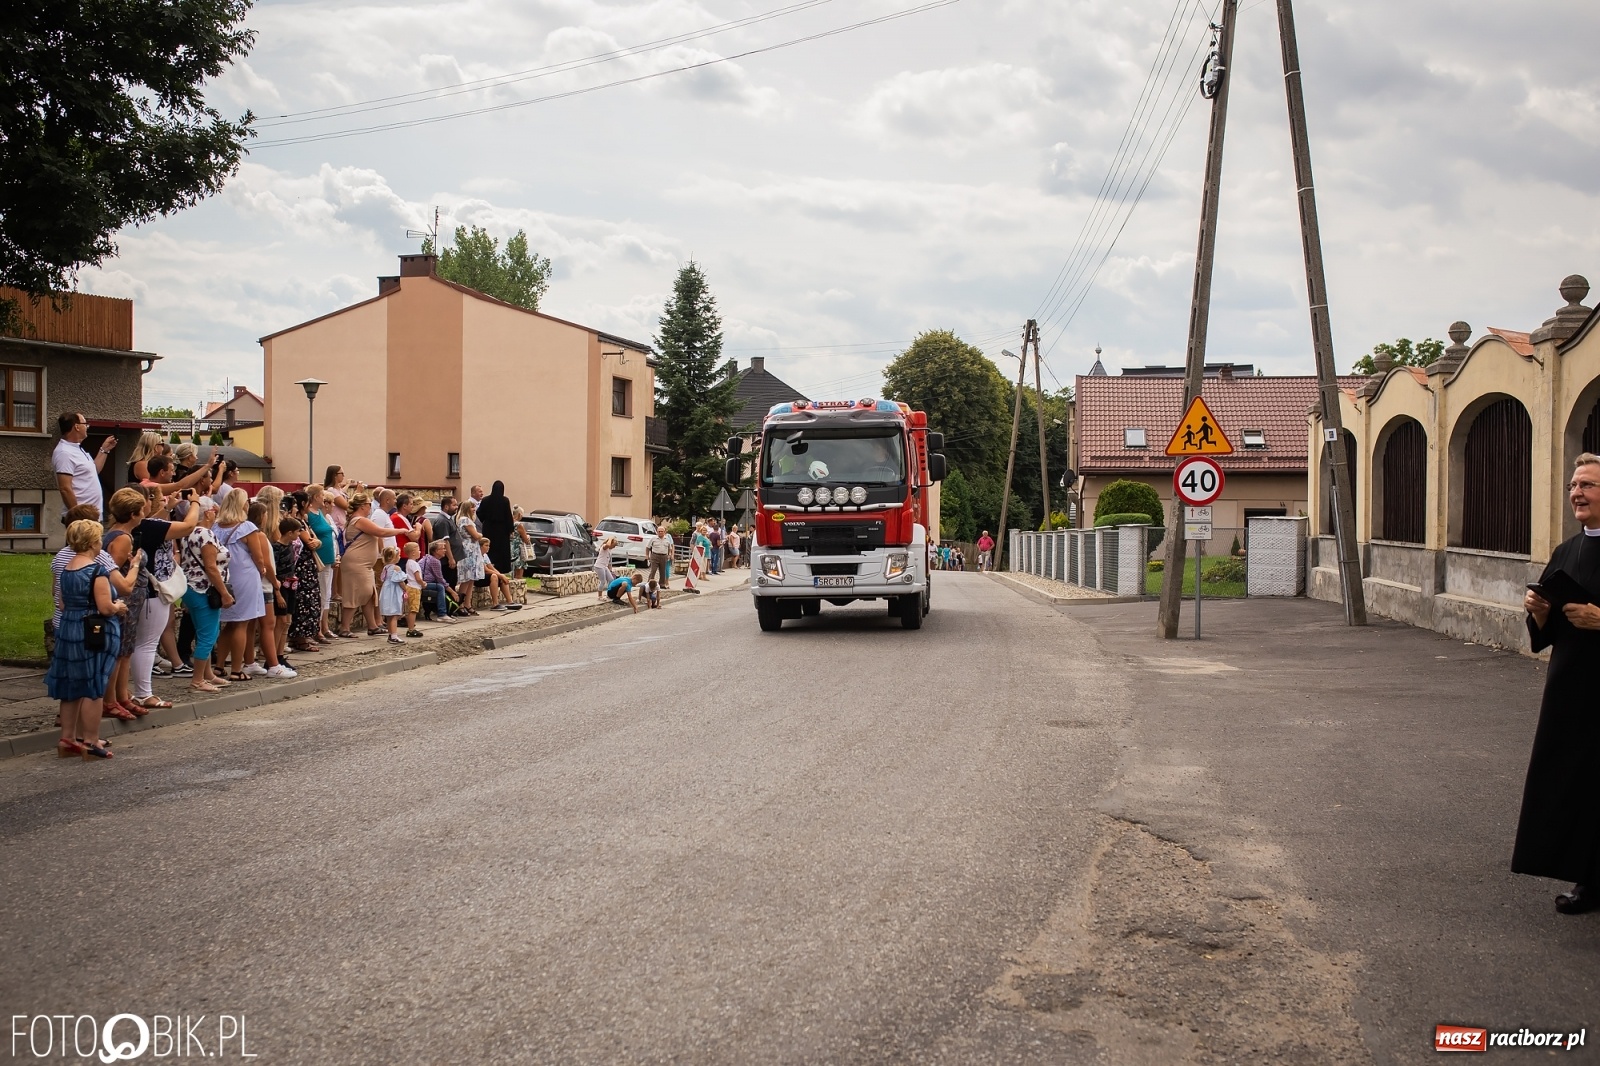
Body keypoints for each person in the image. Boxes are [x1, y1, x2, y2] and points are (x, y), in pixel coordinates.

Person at [1515, 453, 1600, 915]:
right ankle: (1588, 881)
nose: (1576, 493)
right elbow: (1547, 631)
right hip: (1572, 690)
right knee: (1577, 786)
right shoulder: (1567, 550)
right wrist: (1541, 611)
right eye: (1572, 485)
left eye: (1587, 484)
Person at [47, 520, 128, 760]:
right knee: (94, 684)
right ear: (94, 541)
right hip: (93, 631)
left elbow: (61, 603)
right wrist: (118, 606)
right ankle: (91, 741)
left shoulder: (67, 569)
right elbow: (105, 608)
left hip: (69, 627)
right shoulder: (97, 571)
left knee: (70, 684)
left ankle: (67, 738)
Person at [178, 496, 232, 693]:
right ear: (207, 512)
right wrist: (224, 593)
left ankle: (207, 673)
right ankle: (198, 679)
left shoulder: (187, 532)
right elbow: (210, 566)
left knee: (205, 632)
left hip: (191, 587)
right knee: (208, 635)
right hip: (204, 589)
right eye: (214, 509)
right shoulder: (205, 534)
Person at [337, 492, 388, 637]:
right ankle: (345, 628)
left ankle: (372, 626)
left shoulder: (357, 519)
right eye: (369, 504)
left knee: (370, 594)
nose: (370, 507)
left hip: (364, 564)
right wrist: (403, 530)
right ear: (362, 506)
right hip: (357, 563)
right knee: (356, 594)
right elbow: (380, 531)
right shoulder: (359, 520)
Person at [53, 412, 114, 520]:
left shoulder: (78, 449)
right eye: (85, 424)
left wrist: (104, 450)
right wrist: (78, 517)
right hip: (82, 519)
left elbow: (94, 471)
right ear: (77, 427)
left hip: (91, 517)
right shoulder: (64, 452)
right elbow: (65, 488)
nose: (87, 427)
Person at [303, 485, 340, 642]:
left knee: (325, 594)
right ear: (315, 497)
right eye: (320, 496)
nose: (322, 499)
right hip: (318, 559)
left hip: (327, 559)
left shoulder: (320, 513)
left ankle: (323, 627)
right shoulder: (309, 515)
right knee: (319, 594)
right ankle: (317, 629)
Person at [455, 499, 485, 614]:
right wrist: (480, 535)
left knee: (471, 578)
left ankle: (467, 603)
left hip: (473, 549)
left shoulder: (465, 520)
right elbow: (476, 536)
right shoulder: (465, 520)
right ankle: (461, 604)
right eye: (472, 507)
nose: (474, 509)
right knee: (466, 578)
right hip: (469, 550)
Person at [478, 480, 515, 576]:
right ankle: (501, 570)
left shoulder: (485, 500)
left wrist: (485, 520)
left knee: (490, 548)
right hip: (502, 531)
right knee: (501, 551)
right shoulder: (505, 501)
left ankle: (489, 568)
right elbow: (508, 516)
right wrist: (510, 529)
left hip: (489, 529)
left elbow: (479, 513)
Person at [420, 541, 459, 622]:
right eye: (443, 549)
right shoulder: (435, 561)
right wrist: (452, 592)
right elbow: (440, 579)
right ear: (436, 551)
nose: (445, 550)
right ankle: (442, 614)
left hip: (424, 583)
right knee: (440, 587)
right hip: (423, 584)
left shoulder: (429, 558)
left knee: (441, 586)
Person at [378, 546, 407, 645]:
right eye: (398, 555)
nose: (399, 557)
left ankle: (390, 634)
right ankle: (394, 635)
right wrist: (405, 589)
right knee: (394, 615)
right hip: (393, 593)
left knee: (390, 616)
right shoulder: (396, 568)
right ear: (392, 557)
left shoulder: (385, 568)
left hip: (386, 591)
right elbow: (400, 581)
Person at [400, 541, 426, 638]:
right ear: (413, 552)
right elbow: (417, 577)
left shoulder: (408, 563)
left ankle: (411, 625)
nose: (420, 552)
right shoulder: (414, 564)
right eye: (418, 550)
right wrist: (423, 584)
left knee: (409, 608)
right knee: (413, 609)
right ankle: (411, 629)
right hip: (415, 588)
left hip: (409, 587)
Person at [646, 523, 673, 591]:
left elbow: (670, 548)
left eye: (662, 531)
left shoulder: (667, 539)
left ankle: (662, 584)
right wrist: (647, 555)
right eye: (659, 531)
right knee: (653, 570)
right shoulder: (653, 538)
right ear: (657, 532)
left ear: (664, 532)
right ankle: (649, 583)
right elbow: (648, 547)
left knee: (663, 571)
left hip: (664, 556)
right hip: (655, 555)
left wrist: (669, 554)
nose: (660, 533)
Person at [595, 536, 618, 601]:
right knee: (603, 581)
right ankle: (599, 596)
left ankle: (609, 594)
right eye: (614, 545)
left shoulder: (610, 550)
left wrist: (610, 570)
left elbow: (608, 561)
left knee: (611, 580)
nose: (614, 547)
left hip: (604, 566)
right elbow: (608, 544)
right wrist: (610, 538)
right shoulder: (604, 547)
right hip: (599, 566)